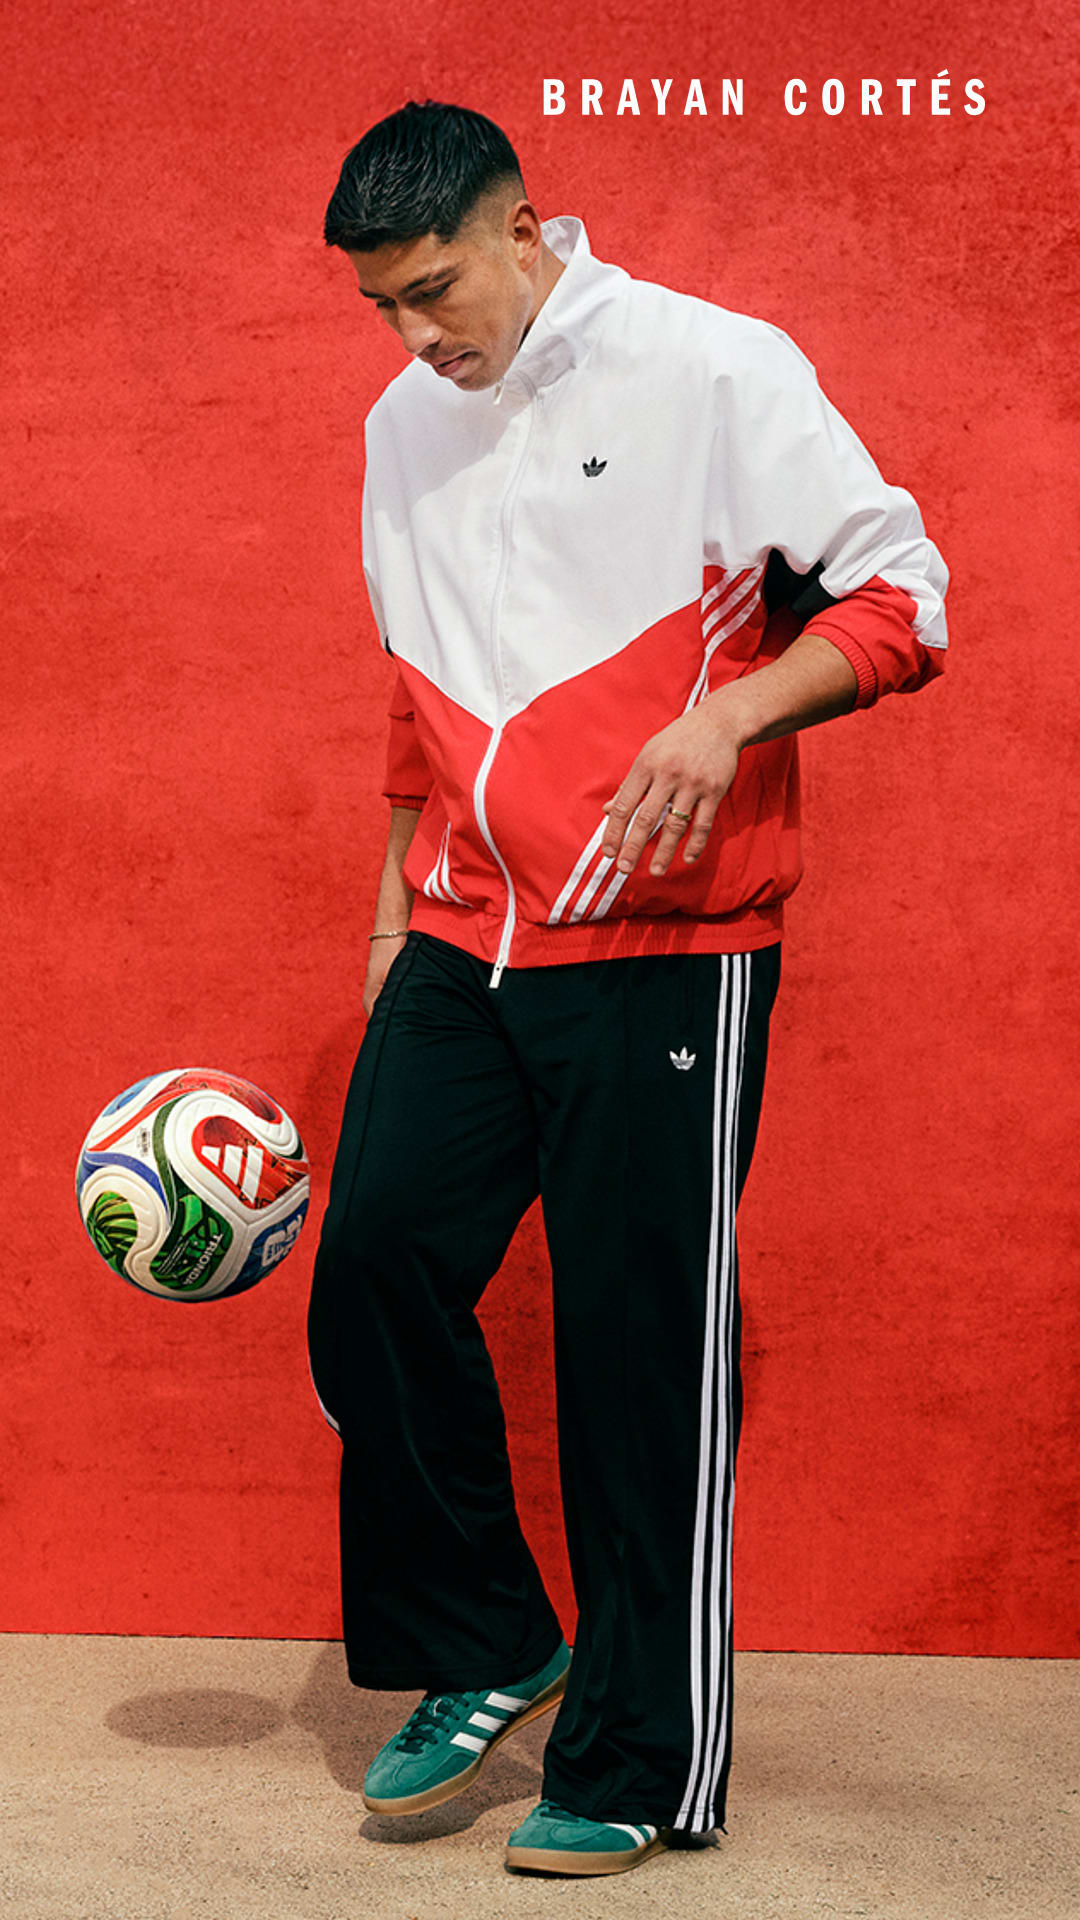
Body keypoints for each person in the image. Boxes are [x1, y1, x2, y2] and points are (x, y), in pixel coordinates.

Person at [307, 99, 948, 1879]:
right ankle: (494, 1640)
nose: (419, 334)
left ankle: (642, 1758)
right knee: (370, 1274)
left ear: (528, 228)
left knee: (637, 1353)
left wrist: (729, 714)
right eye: (385, 307)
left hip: (668, 950)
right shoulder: (399, 425)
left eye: (435, 287)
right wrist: (386, 932)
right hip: (462, 937)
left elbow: (908, 596)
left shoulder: (717, 373)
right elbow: (415, 696)